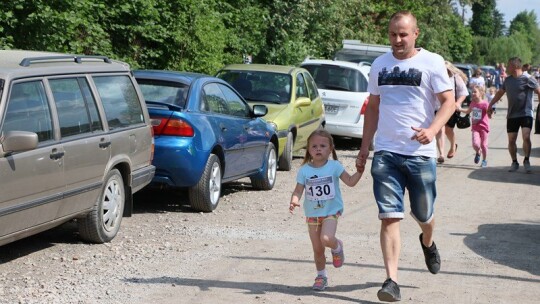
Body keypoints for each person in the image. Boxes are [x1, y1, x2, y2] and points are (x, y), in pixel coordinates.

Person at [355, 11, 455, 302]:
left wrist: (432, 129)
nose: (397, 40)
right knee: (389, 216)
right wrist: (365, 146)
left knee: (424, 213)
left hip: (420, 154)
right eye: (392, 34)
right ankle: (391, 281)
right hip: (386, 152)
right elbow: (372, 107)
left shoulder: (432, 62)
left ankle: (428, 240)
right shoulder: (379, 65)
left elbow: (449, 103)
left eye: (403, 34)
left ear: (415, 33)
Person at [289, 129, 363, 291]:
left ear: (330, 149)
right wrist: (294, 201)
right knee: (318, 249)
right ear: (308, 149)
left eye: (322, 145)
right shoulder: (304, 170)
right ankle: (321, 276)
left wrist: (359, 172)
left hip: (331, 212)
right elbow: (298, 190)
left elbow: (350, 181)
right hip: (312, 215)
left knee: (327, 238)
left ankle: (337, 247)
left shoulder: (334, 166)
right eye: (314, 146)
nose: (318, 149)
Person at [488, 57, 540, 173]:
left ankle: (526, 160)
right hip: (512, 114)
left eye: (508, 65)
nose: (506, 67)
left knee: (526, 136)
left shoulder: (528, 79)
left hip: (526, 113)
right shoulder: (508, 80)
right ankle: (514, 162)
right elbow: (500, 92)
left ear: (515, 66)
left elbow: (538, 91)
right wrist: (490, 104)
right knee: (511, 140)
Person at [436, 61, 469, 163]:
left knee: (448, 130)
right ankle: (441, 154)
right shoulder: (436, 77)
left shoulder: (455, 78)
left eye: (446, 70)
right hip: (437, 107)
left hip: (451, 107)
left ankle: (453, 145)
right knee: (440, 129)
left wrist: (458, 103)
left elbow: (463, 93)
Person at [458, 85, 491, 167]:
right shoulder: (472, 103)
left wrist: (490, 113)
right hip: (475, 127)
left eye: (475, 92)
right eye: (472, 92)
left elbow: (489, 113)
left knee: (484, 145)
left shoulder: (485, 104)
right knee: (475, 144)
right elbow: (468, 111)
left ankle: (484, 160)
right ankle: (478, 152)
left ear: (481, 93)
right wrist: (460, 109)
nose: (472, 93)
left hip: (484, 127)